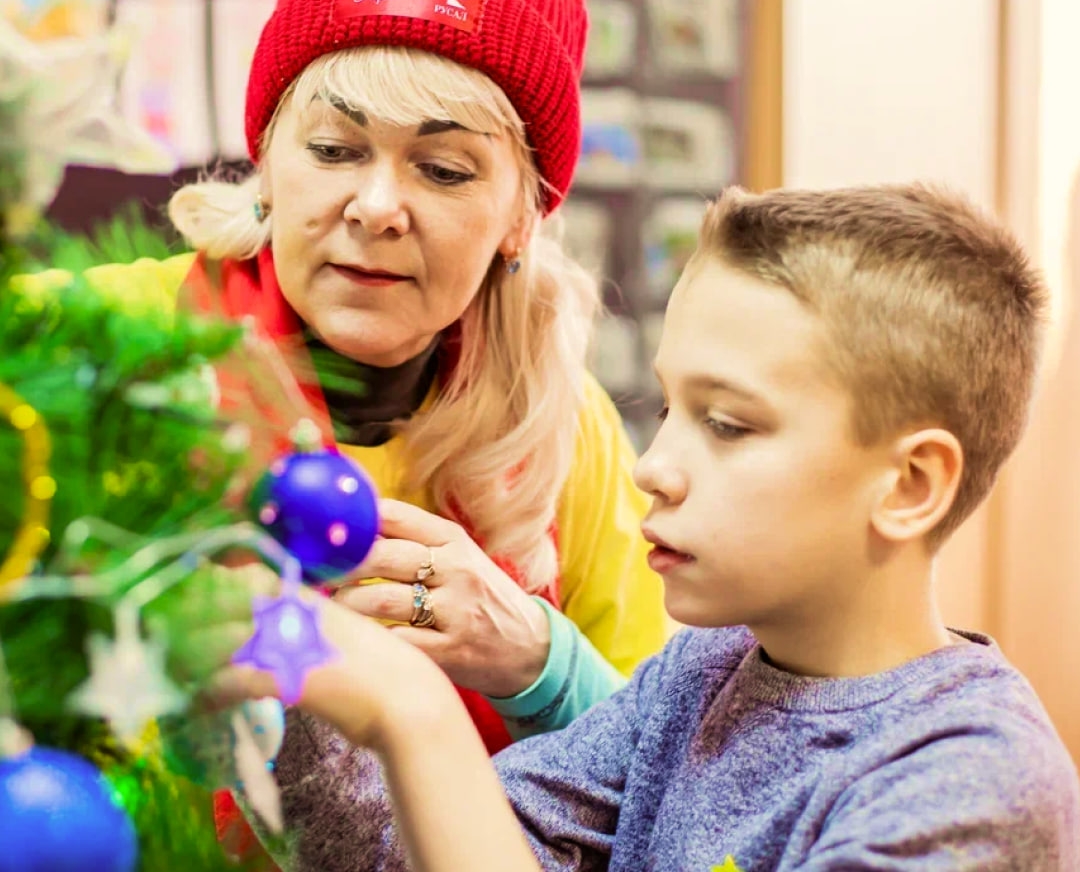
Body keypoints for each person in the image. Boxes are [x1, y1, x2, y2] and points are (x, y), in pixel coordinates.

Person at [38, 0, 667, 868]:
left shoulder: (565, 430)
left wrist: (542, 666)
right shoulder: (103, 337)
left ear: (521, 215)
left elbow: (679, 792)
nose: (378, 205)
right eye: (333, 149)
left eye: (444, 167)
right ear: (269, 160)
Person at [211, 182, 1080, 871]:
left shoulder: (971, 785)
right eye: (669, 407)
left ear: (909, 485)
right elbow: (429, 855)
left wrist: (414, 715)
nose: (651, 467)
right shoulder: (699, 678)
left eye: (729, 424)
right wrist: (277, 674)